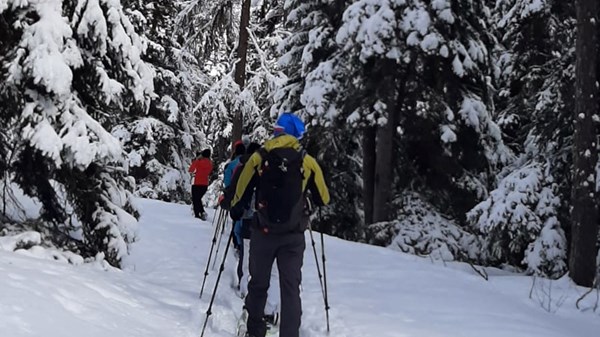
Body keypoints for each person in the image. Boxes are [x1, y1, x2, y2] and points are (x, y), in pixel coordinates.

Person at [230, 113, 330, 337]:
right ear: (296, 135)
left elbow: (241, 192)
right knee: (290, 289)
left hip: (263, 233)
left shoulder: (260, 157)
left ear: (276, 131)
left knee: (258, 284)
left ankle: (254, 330)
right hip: (293, 236)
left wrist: (236, 209)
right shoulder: (306, 161)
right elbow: (324, 198)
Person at [189, 149, 213, 220]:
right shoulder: (210, 164)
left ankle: (198, 214)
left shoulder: (198, 162)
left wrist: (197, 160)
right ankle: (202, 212)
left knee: (195, 199)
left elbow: (191, 169)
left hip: (196, 183)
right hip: (205, 184)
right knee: (198, 199)